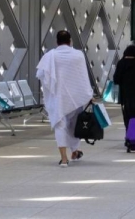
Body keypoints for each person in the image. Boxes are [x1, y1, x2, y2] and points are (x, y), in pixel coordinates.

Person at [36, 30, 94, 167]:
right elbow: (83, 76)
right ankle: (74, 151)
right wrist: (88, 95)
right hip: (76, 97)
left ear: (57, 41)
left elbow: (40, 74)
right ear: (70, 41)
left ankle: (64, 159)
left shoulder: (50, 56)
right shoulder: (78, 55)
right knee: (74, 125)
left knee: (60, 126)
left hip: (59, 97)